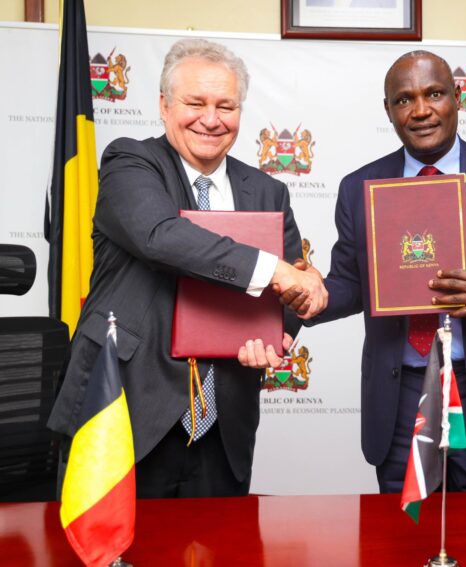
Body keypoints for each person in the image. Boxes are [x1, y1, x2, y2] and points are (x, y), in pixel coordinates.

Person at [48, 38, 326, 498]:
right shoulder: (130, 162)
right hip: (122, 409)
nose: (211, 119)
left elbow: (290, 286)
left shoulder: (267, 191)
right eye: (195, 103)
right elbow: (161, 237)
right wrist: (276, 270)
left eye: (225, 106)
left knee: (218, 539)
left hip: (224, 426)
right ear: (164, 105)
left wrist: (283, 323)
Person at [289, 50, 466, 492]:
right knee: (405, 527)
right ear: (388, 110)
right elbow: (353, 283)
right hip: (400, 394)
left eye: (434, 94)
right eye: (404, 99)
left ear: (457, 98)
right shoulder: (359, 188)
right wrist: (315, 293)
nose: (420, 110)